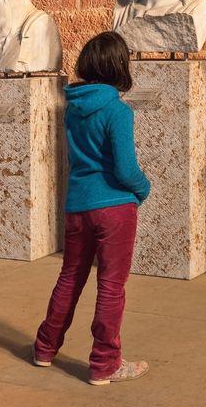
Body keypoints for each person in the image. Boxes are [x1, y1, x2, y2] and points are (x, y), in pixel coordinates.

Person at [33, 31, 152, 386]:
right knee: (112, 285)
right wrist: (143, 190)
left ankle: (44, 348)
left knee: (70, 277)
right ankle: (105, 364)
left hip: (78, 204)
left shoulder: (73, 107)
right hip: (114, 207)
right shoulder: (117, 110)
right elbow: (126, 168)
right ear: (118, 65)